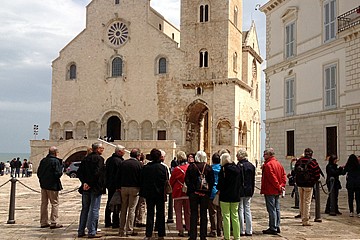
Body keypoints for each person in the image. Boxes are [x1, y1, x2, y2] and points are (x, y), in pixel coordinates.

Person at [77, 142, 106, 238]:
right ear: (97, 149)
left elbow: (79, 172)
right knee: (94, 209)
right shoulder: (99, 159)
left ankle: (81, 231)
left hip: (85, 187)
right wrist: (89, 183)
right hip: (95, 188)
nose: (103, 150)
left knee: (85, 209)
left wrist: (85, 183)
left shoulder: (85, 159)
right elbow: (97, 173)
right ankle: (92, 231)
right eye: (102, 148)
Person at [185, 150, 214, 240]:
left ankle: (193, 235)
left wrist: (192, 190)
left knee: (193, 214)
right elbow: (212, 181)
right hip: (204, 194)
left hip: (194, 194)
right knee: (203, 214)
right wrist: (208, 191)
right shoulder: (208, 167)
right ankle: (203, 235)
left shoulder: (191, 167)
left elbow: (187, 180)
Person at [140, 148, 168, 240]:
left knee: (150, 213)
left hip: (149, 194)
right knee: (161, 214)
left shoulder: (146, 168)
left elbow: (142, 180)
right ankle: (161, 234)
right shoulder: (163, 168)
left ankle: (148, 234)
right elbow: (166, 180)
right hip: (160, 194)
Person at [260, 148, 286, 235]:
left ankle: (273, 227)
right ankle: (277, 225)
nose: (263, 156)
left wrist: (278, 186)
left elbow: (272, 177)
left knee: (271, 209)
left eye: (265, 154)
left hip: (270, 189)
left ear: (270, 155)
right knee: (277, 208)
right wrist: (281, 185)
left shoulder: (268, 165)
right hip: (277, 190)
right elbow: (283, 176)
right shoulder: (278, 164)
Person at [37, 146, 63, 229]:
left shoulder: (43, 160)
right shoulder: (55, 161)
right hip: (53, 185)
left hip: (44, 185)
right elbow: (58, 173)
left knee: (44, 203)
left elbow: (39, 173)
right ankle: (54, 222)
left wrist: (43, 180)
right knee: (54, 203)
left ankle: (43, 222)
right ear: (55, 153)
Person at [119, 148, 143, 237]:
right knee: (132, 209)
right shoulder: (139, 165)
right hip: (134, 188)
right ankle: (129, 229)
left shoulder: (123, 163)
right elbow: (141, 178)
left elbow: (119, 175)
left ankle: (121, 229)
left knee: (123, 209)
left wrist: (119, 187)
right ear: (138, 155)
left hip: (123, 188)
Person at [294, 148, 321, 226]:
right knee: (307, 202)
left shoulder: (299, 161)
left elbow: (295, 171)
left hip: (300, 184)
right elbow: (317, 174)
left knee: (301, 201)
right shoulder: (313, 162)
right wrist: (313, 180)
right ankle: (305, 220)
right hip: (308, 185)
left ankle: (302, 216)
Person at [217, 153, 241, 240]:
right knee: (235, 216)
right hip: (235, 195)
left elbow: (220, 184)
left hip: (225, 196)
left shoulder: (223, 170)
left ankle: (226, 237)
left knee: (226, 216)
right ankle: (237, 236)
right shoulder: (238, 169)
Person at [169, 151, 190, 237]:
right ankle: (189, 228)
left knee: (178, 212)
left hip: (178, 192)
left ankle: (180, 230)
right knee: (188, 212)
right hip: (188, 192)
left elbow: (171, 182)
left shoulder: (177, 169)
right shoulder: (189, 167)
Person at [104, 145, 125, 228]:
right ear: (119, 152)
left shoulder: (109, 160)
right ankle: (116, 222)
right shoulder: (119, 161)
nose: (124, 152)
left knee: (109, 202)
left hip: (109, 184)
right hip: (116, 185)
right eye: (123, 151)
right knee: (116, 203)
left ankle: (107, 221)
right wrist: (119, 186)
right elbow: (118, 175)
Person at [237, 149, 255, 236]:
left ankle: (241, 230)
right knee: (247, 209)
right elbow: (253, 180)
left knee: (240, 209)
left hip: (241, 190)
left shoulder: (239, 166)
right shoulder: (251, 166)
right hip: (249, 190)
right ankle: (249, 230)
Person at [208, 153, 222, 237]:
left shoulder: (210, 169)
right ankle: (219, 230)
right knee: (220, 212)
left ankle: (213, 230)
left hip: (212, 192)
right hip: (220, 192)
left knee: (212, 212)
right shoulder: (222, 169)